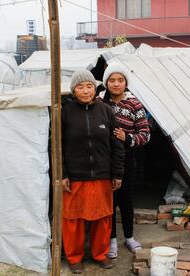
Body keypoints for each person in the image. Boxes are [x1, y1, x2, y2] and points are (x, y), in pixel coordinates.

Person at [61, 69, 125, 274]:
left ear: (95, 88)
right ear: (74, 90)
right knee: (73, 220)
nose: (85, 90)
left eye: (89, 86)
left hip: (102, 175)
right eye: (80, 87)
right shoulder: (65, 112)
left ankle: (100, 254)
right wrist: (62, 174)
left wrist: (117, 173)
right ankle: (74, 258)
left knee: (102, 218)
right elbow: (57, 146)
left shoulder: (106, 111)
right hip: (75, 176)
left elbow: (117, 145)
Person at [98, 63, 150, 258]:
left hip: (127, 158)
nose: (116, 84)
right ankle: (111, 240)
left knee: (126, 199)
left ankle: (128, 237)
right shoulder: (100, 102)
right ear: (106, 83)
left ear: (126, 82)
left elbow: (145, 135)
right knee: (108, 201)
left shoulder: (134, 104)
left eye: (120, 80)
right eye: (112, 80)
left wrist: (127, 138)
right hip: (104, 158)